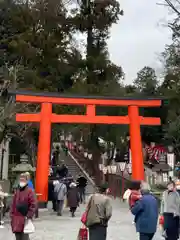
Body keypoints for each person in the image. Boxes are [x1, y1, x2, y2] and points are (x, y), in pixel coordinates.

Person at [10, 173, 36, 240]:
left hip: (25, 218)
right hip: (16, 219)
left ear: (27, 181)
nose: (22, 181)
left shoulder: (30, 191)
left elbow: (33, 205)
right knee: (17, 237)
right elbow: (13, 204)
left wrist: (29, 215)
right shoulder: (17, 192)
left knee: (24, 237)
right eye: (21, 180)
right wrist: (12, 215)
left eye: (23, 180)